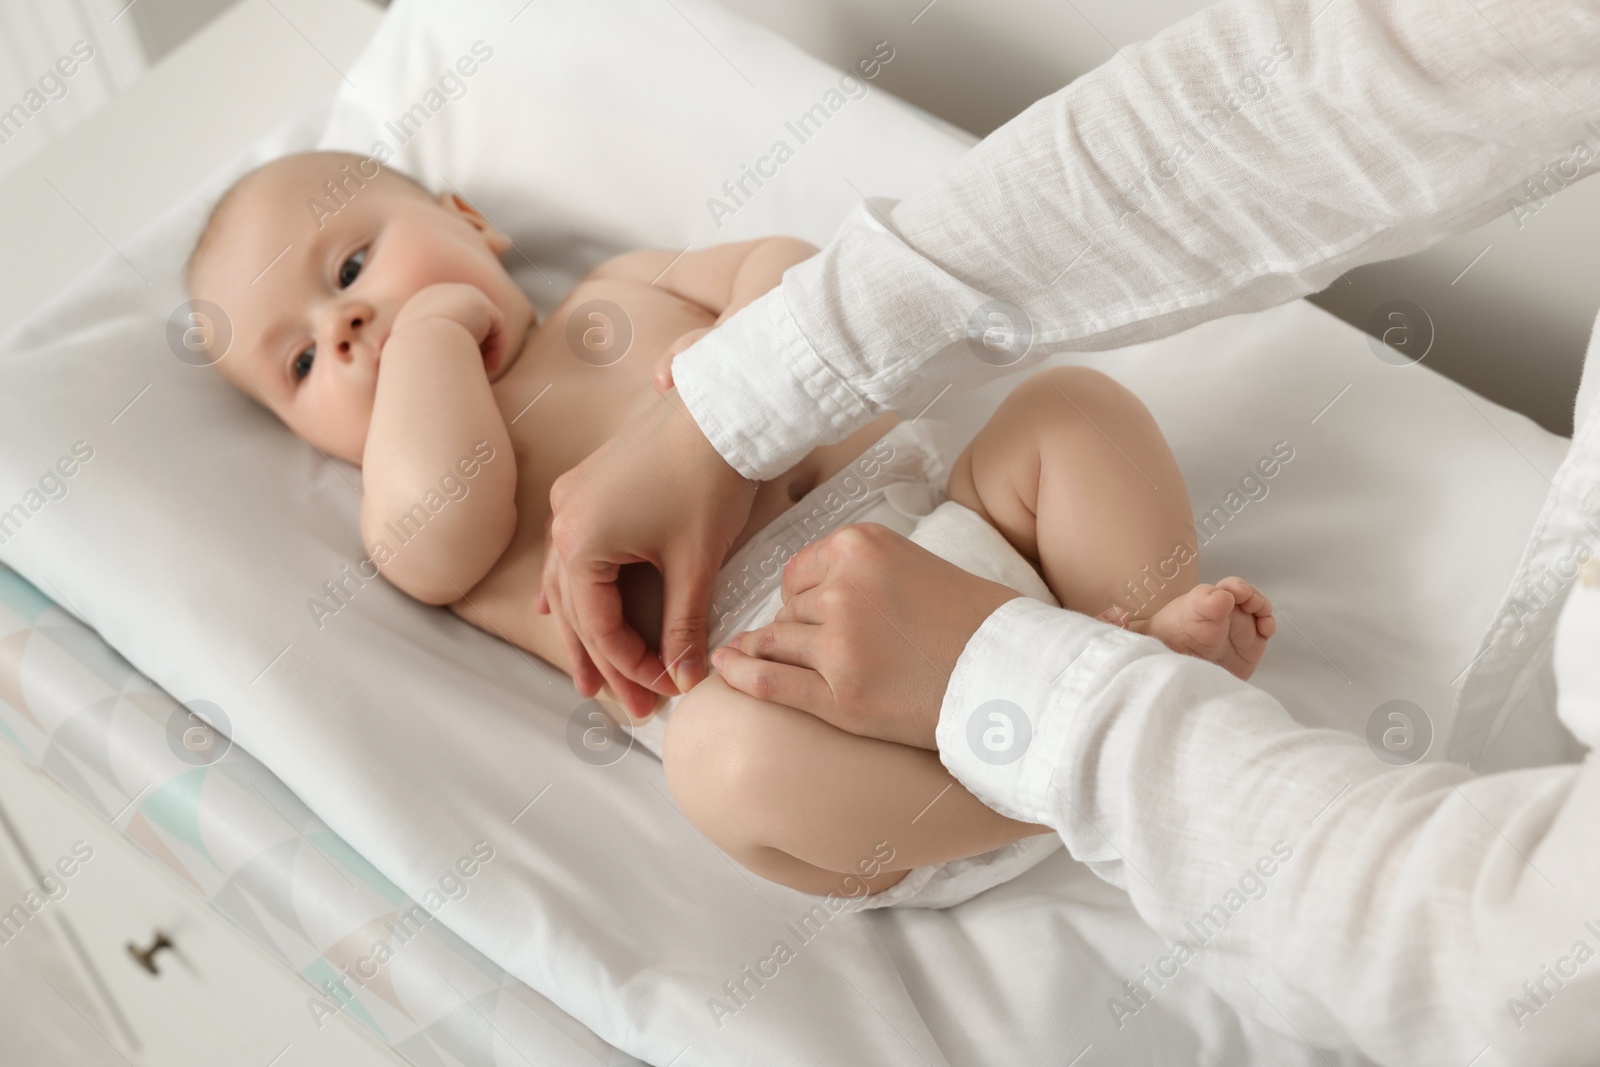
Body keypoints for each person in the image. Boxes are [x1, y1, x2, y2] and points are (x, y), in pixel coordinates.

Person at [540, 0, 1600, 1062]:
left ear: (466, 213)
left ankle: (1135, 648)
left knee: (1072, 414)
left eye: (365, 256)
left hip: (971, 567)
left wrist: (1039, 693)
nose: (364, 325)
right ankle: (1063, 753)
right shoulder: (486, 486)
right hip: (808, 710)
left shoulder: (619, 286)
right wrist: (720, 407)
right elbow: (1339, 79)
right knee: (720, 762)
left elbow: (1519, 979)